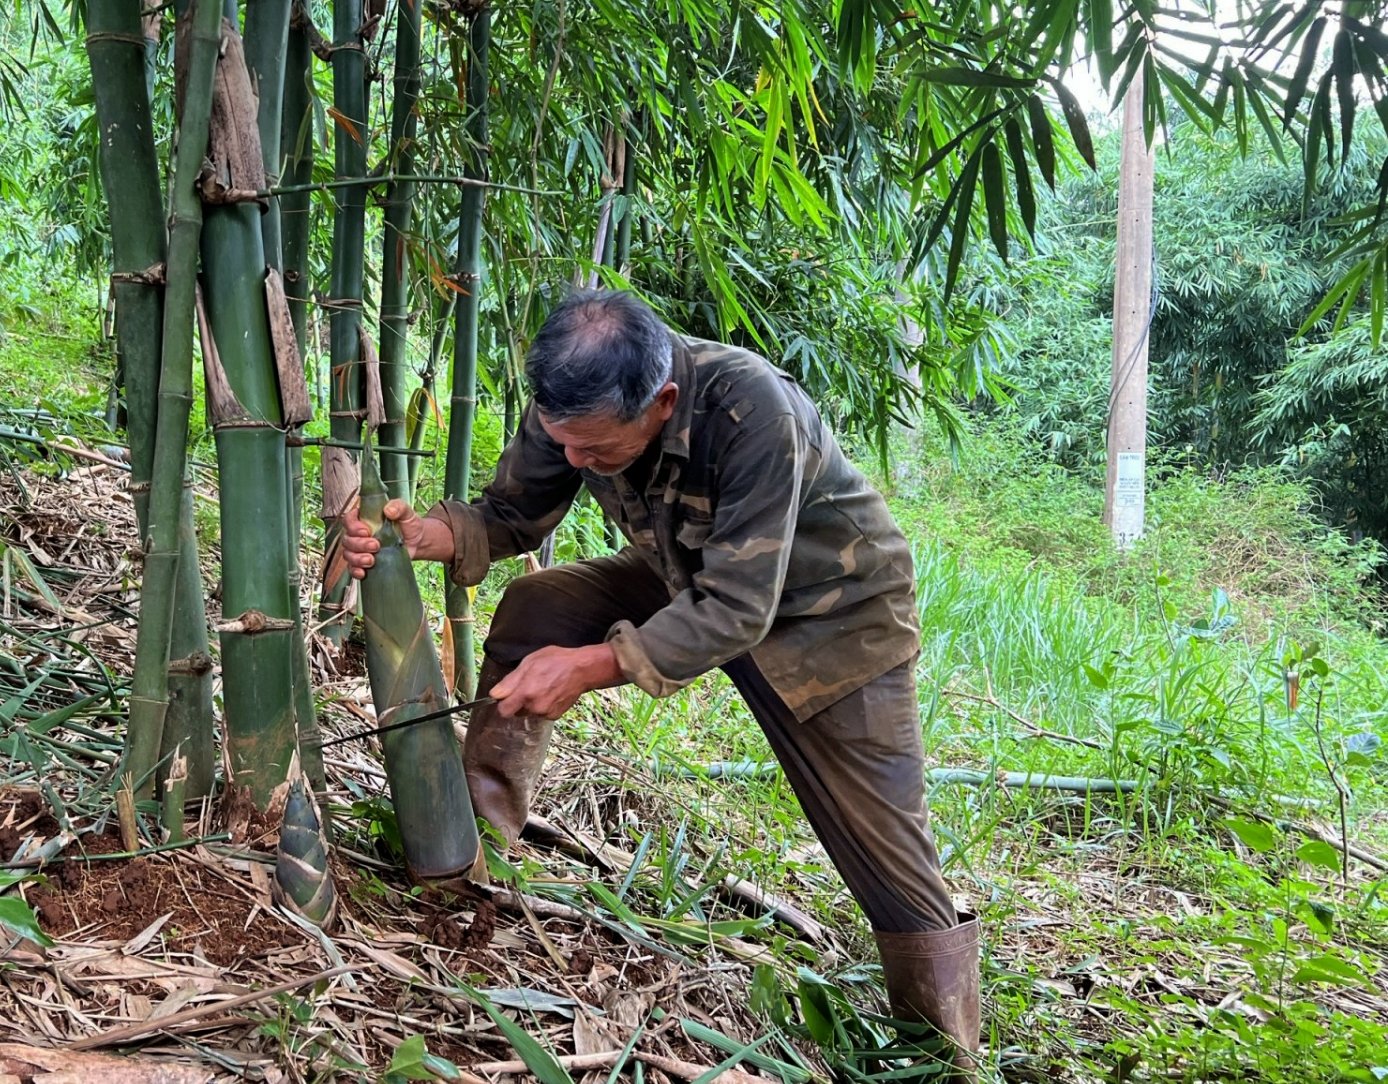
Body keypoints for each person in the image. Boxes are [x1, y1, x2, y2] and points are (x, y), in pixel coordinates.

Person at [341, 289, 980, 1057]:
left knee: (890, 858)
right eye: (563, 444)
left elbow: (740, 607)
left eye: (597, 453)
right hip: (685, 576)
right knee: (537, 609)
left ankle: (942, 1052)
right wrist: (430, 534)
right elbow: (511, 515)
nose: (576, 462)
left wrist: (593, 666)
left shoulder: (754, 412)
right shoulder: (575, 400)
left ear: (662, 400)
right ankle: (474, 845)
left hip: (830, 617)